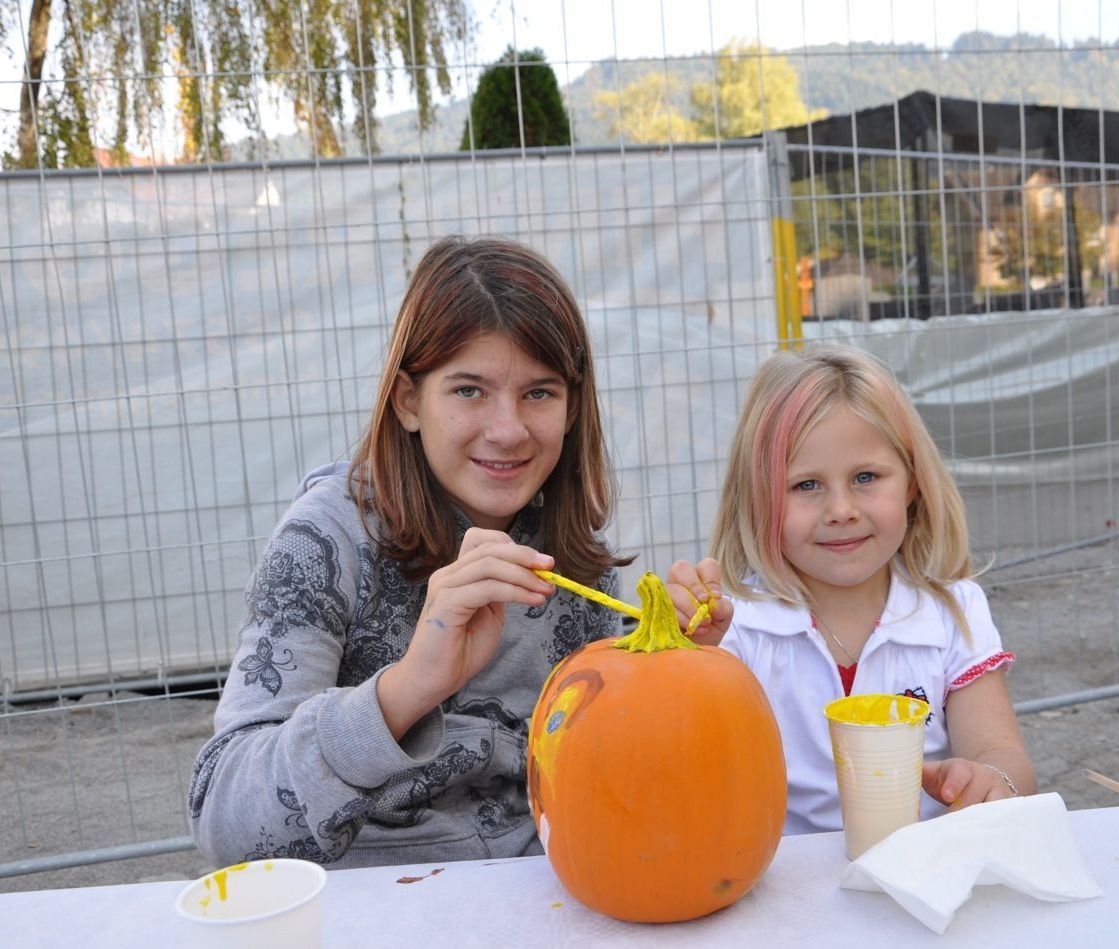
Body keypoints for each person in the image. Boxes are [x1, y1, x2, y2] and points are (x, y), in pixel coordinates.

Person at [188, 235, 630, 868]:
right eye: (469, 390)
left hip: (538, 897)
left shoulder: (578, 565)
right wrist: (409, 688)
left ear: (571, 408)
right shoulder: (325, 541)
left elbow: (606, 789)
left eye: (540, 392)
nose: (507, 430)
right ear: (408, 401)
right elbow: (225, 819)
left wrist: (668, 676)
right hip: (359, 907)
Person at [668, 345, 1035, 836]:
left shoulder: (956, 610)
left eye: (866, 477)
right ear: (757, 498)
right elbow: (682, 776)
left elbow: (1003, 753)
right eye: (806, 485)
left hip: (924, 874)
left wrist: (992, 780)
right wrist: (686, 658)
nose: (841, 509)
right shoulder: (731, 627)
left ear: (911, 483)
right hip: (780, 888)